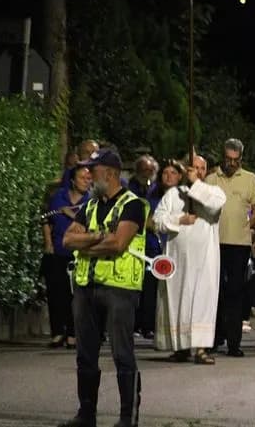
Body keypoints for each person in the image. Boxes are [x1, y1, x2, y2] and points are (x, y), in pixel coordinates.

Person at [59, 148, 150, 427]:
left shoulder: (133, 204)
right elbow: (66, 240)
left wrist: (87, 239)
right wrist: (99, 236)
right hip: (86, 286)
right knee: (85, 353)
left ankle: (127, 417)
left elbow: (118, 243)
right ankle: (86, 414)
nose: (87, 173)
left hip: (120, 288)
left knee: (122, 353)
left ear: (109, 173)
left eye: (93, 169)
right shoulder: (90, 205)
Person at [153, 154, 225, 364]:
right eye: (193, 168)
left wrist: (196, 185)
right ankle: (180, 347)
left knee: (202, 301)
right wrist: (179, 219)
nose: (198, 171)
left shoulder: (212, 192)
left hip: (204, 260)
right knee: (178, 300)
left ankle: (201, 349)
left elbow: (215, 206)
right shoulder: (173, 194)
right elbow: (157, 221)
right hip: (178, 259)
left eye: (201, 168)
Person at [205, 138, 255, 357]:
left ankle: (233, 342)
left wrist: (249, 226)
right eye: (228, 159)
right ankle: (213, 339)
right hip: (214, 243)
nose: (231, 164)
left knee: (236, 293)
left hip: (239, 244)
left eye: (235, 160)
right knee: (214, 292)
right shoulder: (211, 179)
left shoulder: (250, 179)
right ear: (223, 156)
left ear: (241, 159)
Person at [43, 165, 92, 349]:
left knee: (77, 296)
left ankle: (73, 333)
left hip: (80, 253)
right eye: (82, 178)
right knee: (56, 293)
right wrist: (48, 243)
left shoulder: (92, 201)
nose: (86, 181)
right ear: (72, 180)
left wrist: (70, 213)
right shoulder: (58, 197)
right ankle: (57, 332)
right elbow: (46, 219)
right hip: (58, 250)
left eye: (89, 178)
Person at [128, 155, 160, 340]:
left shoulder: (157, 190)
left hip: (153, 246)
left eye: (150, 170)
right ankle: (134, 324)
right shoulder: (130, 188)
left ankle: (148, 325)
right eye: (143, 170)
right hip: (133, 245)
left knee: (151, 288)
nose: (147, 174)